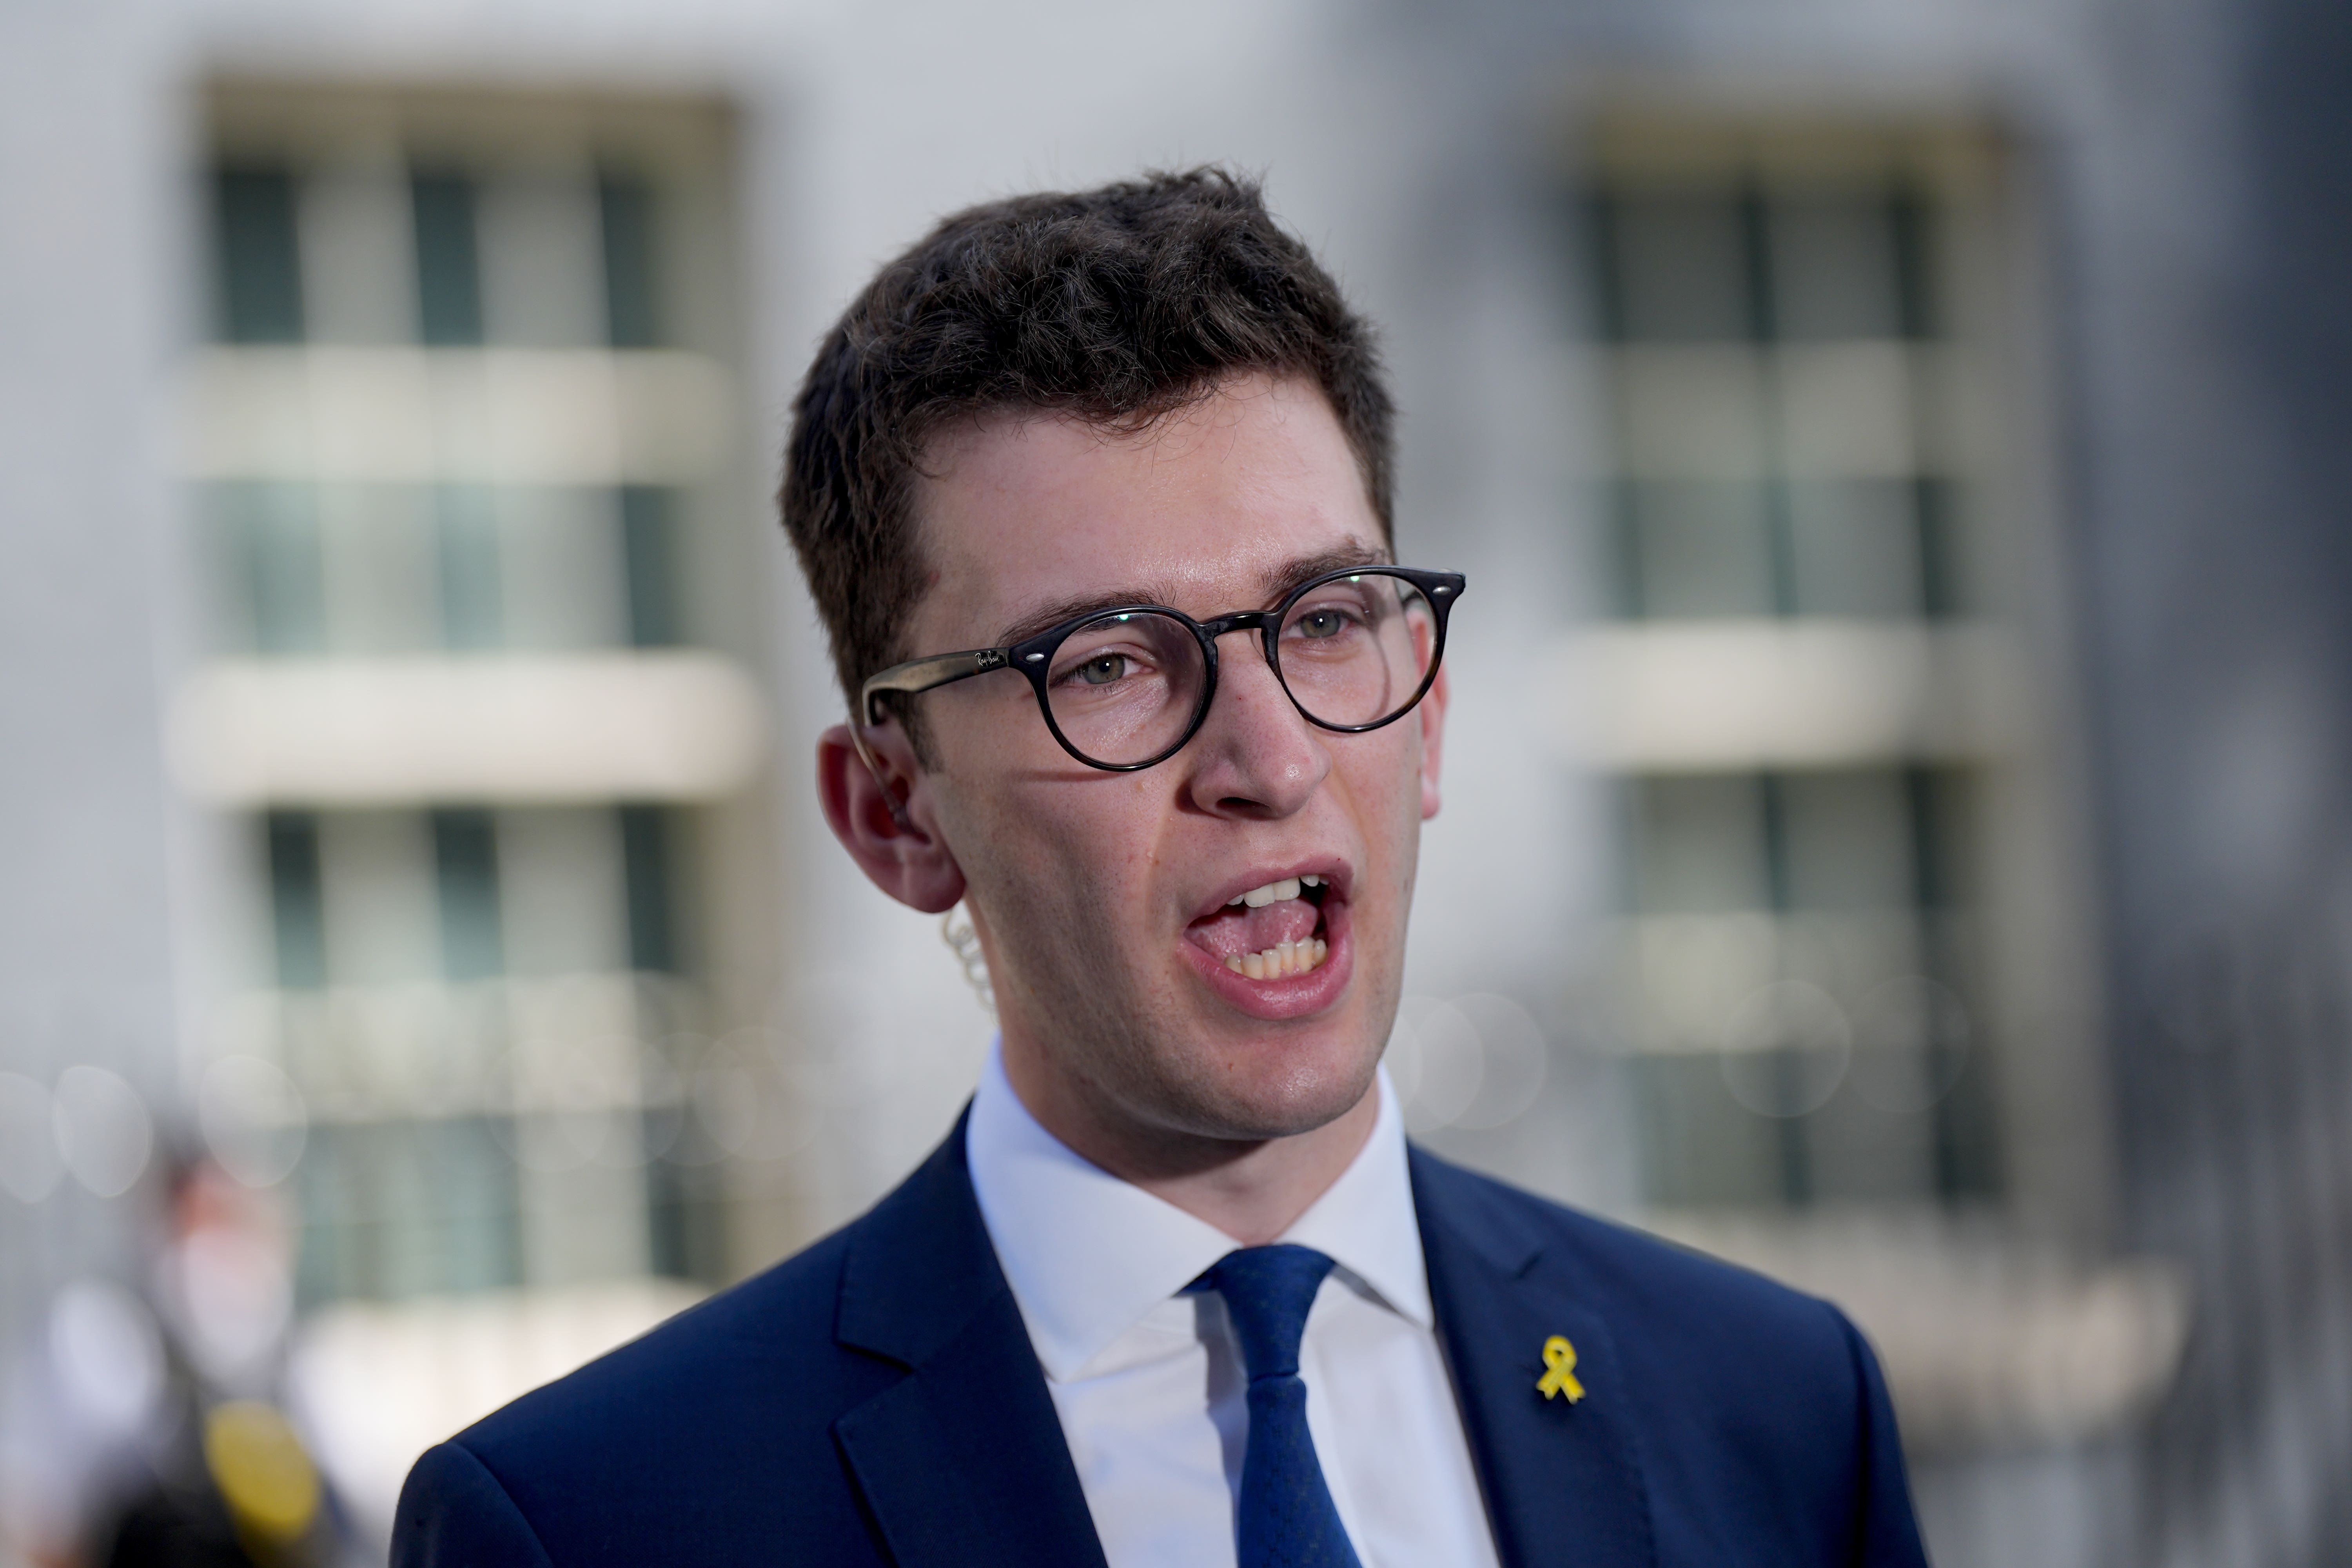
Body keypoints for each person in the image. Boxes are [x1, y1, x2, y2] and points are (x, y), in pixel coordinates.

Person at [392, 167, 1928, 1568]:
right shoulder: (594, 1525)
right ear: (896, 815)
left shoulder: (1783, 1415)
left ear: (1433, 711)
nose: (1266, 762)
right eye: (1111, 661)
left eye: (1326, 618)